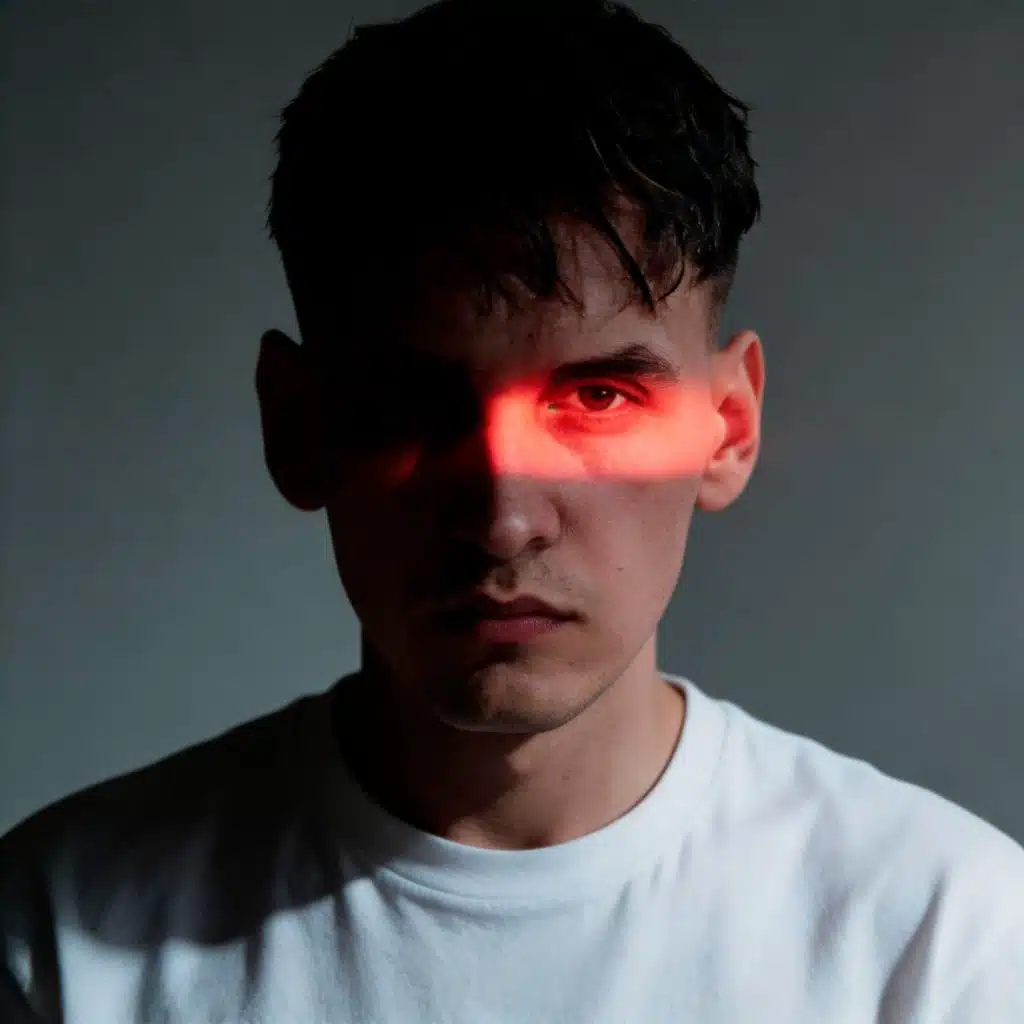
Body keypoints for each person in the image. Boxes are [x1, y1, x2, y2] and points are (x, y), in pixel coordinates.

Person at [3, 0, 1023, 1020]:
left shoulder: (944, 943)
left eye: (599, 398)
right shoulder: (61, 937)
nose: (503, 520)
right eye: (414, 408)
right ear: (295, 426)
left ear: (728, 427)